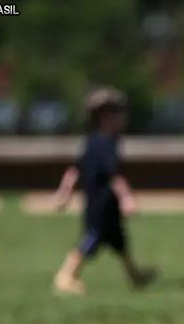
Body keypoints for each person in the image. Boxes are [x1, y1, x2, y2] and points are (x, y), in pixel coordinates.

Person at [53, 87, 157, 295]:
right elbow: (114, 175)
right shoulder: (106, 144)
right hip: (100, 203)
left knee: (120, 242)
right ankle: (65, 276)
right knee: (91, 239)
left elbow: (74, 170)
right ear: (106, 118)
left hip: (105, 204)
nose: (124, 118)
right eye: (120, 114)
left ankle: (136, 276)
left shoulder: (94, 141)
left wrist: (64, 193)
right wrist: (127, 198)